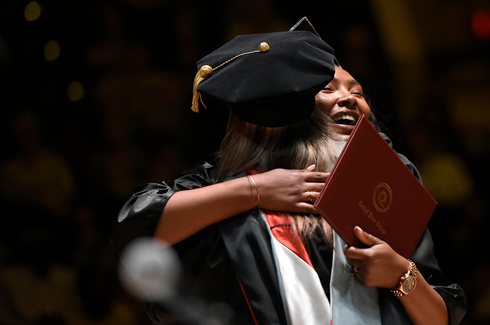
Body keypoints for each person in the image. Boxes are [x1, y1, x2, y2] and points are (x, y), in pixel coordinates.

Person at [113, 22, 466, 325]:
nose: (348, 98)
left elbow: (439, 317)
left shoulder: (388, 189)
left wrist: (401, 274)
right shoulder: (228, 181)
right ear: (291, 106)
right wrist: (256, 190)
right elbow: (140, 226)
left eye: (357, 93)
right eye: (327, 89)